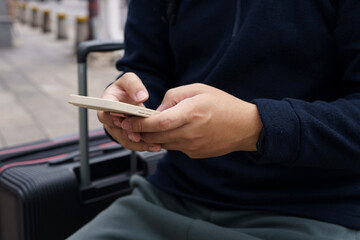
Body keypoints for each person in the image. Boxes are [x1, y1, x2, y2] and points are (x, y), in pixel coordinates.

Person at [68, 0, 360, 239]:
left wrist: (255, 127)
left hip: (316, 209)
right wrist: (128, 108)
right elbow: (146, 69)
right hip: (168, 198)